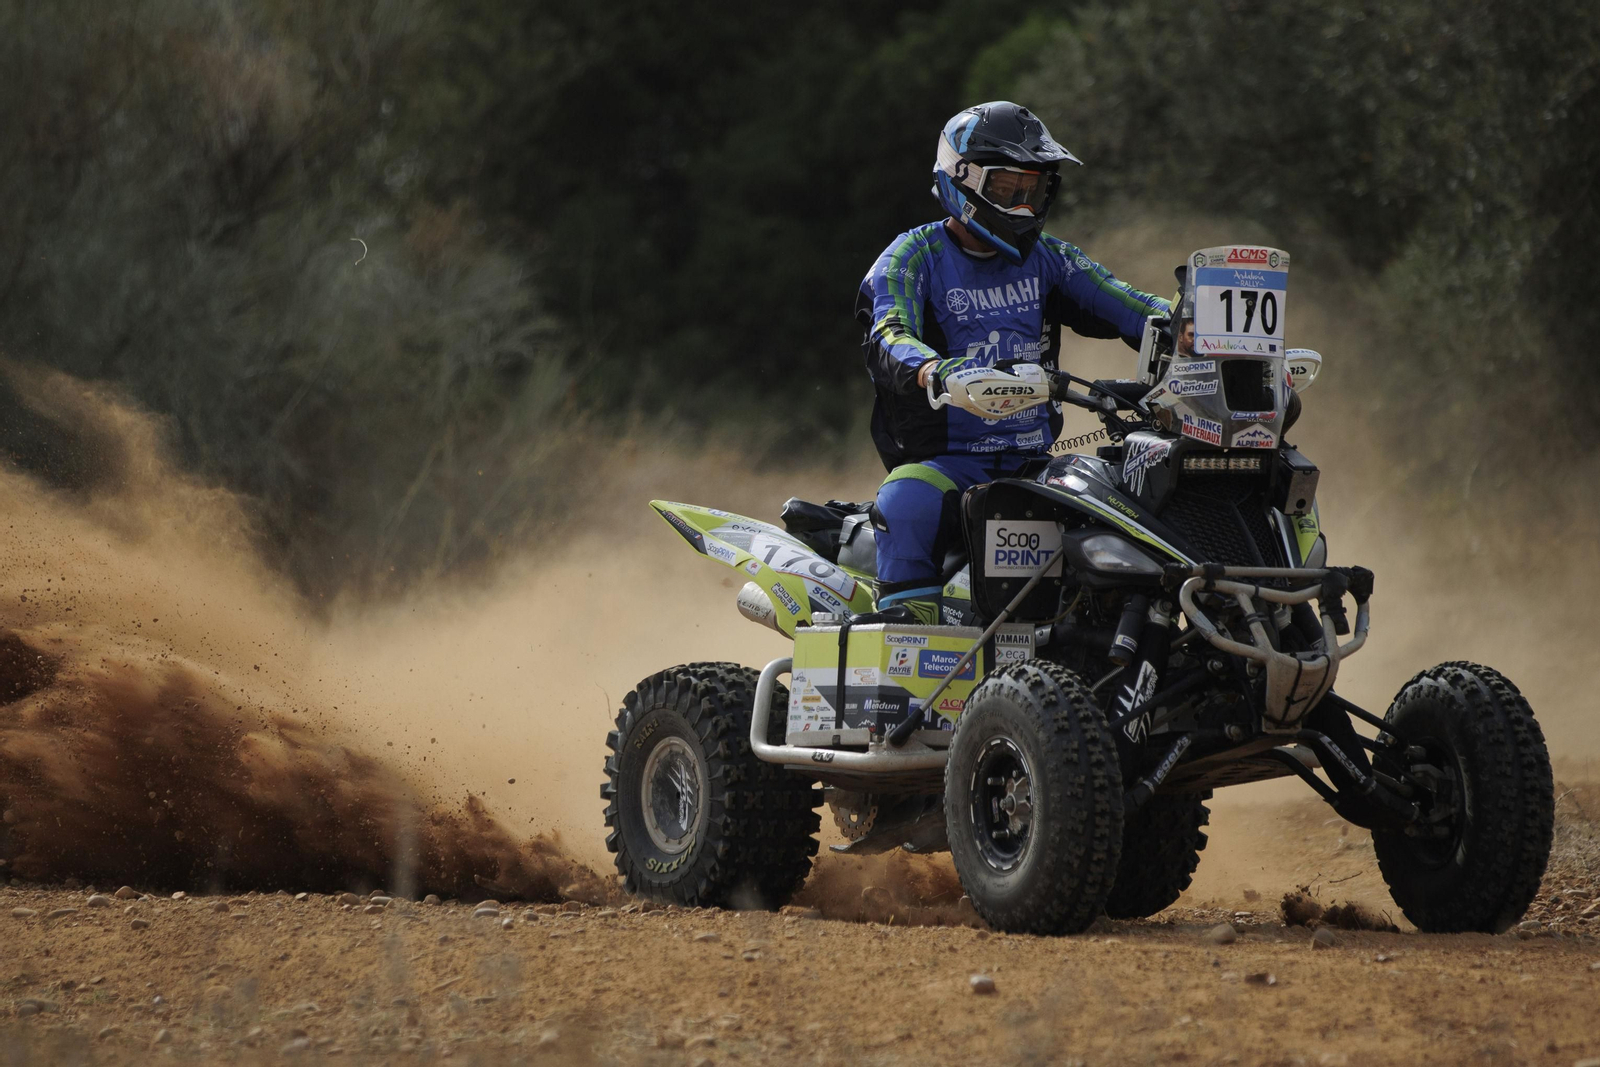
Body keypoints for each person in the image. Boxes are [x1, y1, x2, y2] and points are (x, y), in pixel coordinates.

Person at [855, 101, 1169, 622]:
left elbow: (1135, 306)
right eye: (1008, 188)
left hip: (1041, 464)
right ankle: (905, 654)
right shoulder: (912, 256)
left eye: (1035, 189)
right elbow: (888, 332)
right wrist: (937, 370)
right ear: (963, 177)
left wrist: (1195, 328)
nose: (1023, 205)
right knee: (907, 498)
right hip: (948, 467)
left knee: (1132, 497)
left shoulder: (1051, 259)